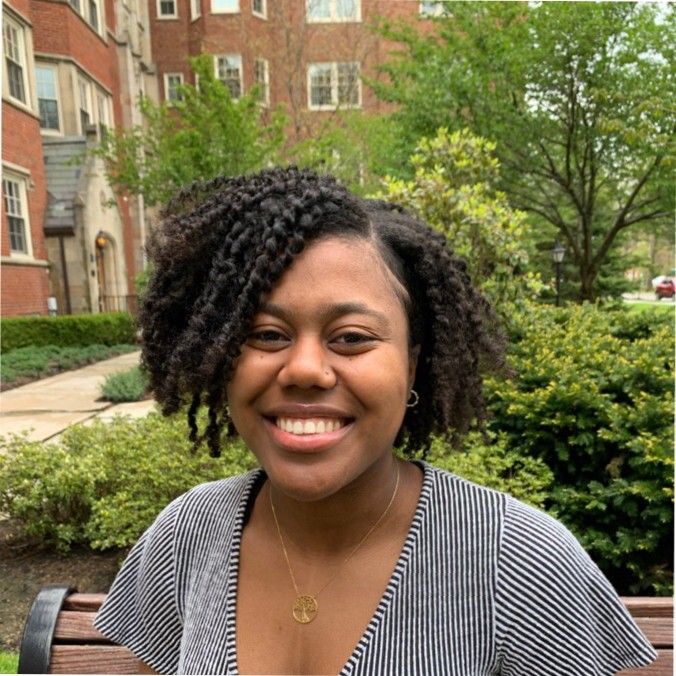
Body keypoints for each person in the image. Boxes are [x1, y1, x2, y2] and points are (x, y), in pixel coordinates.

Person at [94, 167, 656, 675]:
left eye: (352, 338)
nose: (306, 369)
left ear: (412, 365)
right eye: (267, 335)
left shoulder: (522, 564)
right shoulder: (186, 535)